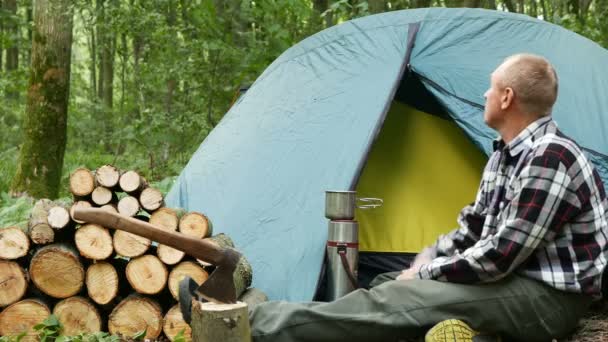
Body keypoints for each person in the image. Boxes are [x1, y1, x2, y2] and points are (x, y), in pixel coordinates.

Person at [248, 53, 608, 342]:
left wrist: (426, 273)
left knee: (401, 296)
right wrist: (429, 256)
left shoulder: (551, 157)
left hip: (547, 299)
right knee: (386, 284)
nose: (484, 94)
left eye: (490, 87)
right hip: (514, 283)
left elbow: (500, 256)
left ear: (507, 97)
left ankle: (252, 324)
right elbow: (473, 229)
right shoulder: (504, 154)